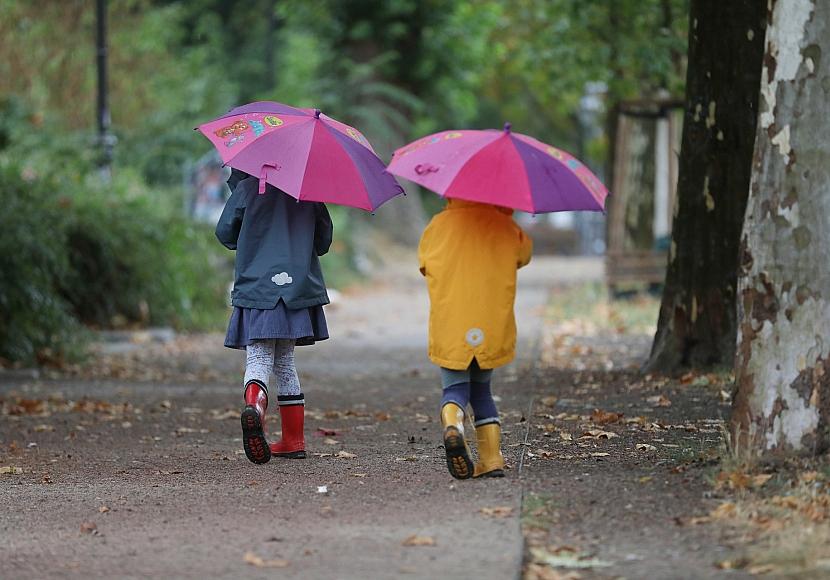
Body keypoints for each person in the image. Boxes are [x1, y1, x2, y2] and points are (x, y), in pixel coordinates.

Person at [216, 169, 332, 464]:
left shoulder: (247, 189)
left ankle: (254, 408)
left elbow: (226, 234)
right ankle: (294, 439)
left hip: (258, 288)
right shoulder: (308, 192)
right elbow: (323, 242)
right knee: (284, 362)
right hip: (295, 290)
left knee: (258, 358)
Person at [418, 199, 532, 479]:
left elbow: (424, 263)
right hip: (490, 322)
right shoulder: (507, 226)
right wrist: (505, 212)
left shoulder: (438, 226)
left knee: (455, 389)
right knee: (482, 390)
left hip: (452, 322)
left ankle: (452, 422)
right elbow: (524, 255)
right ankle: (492, 459)